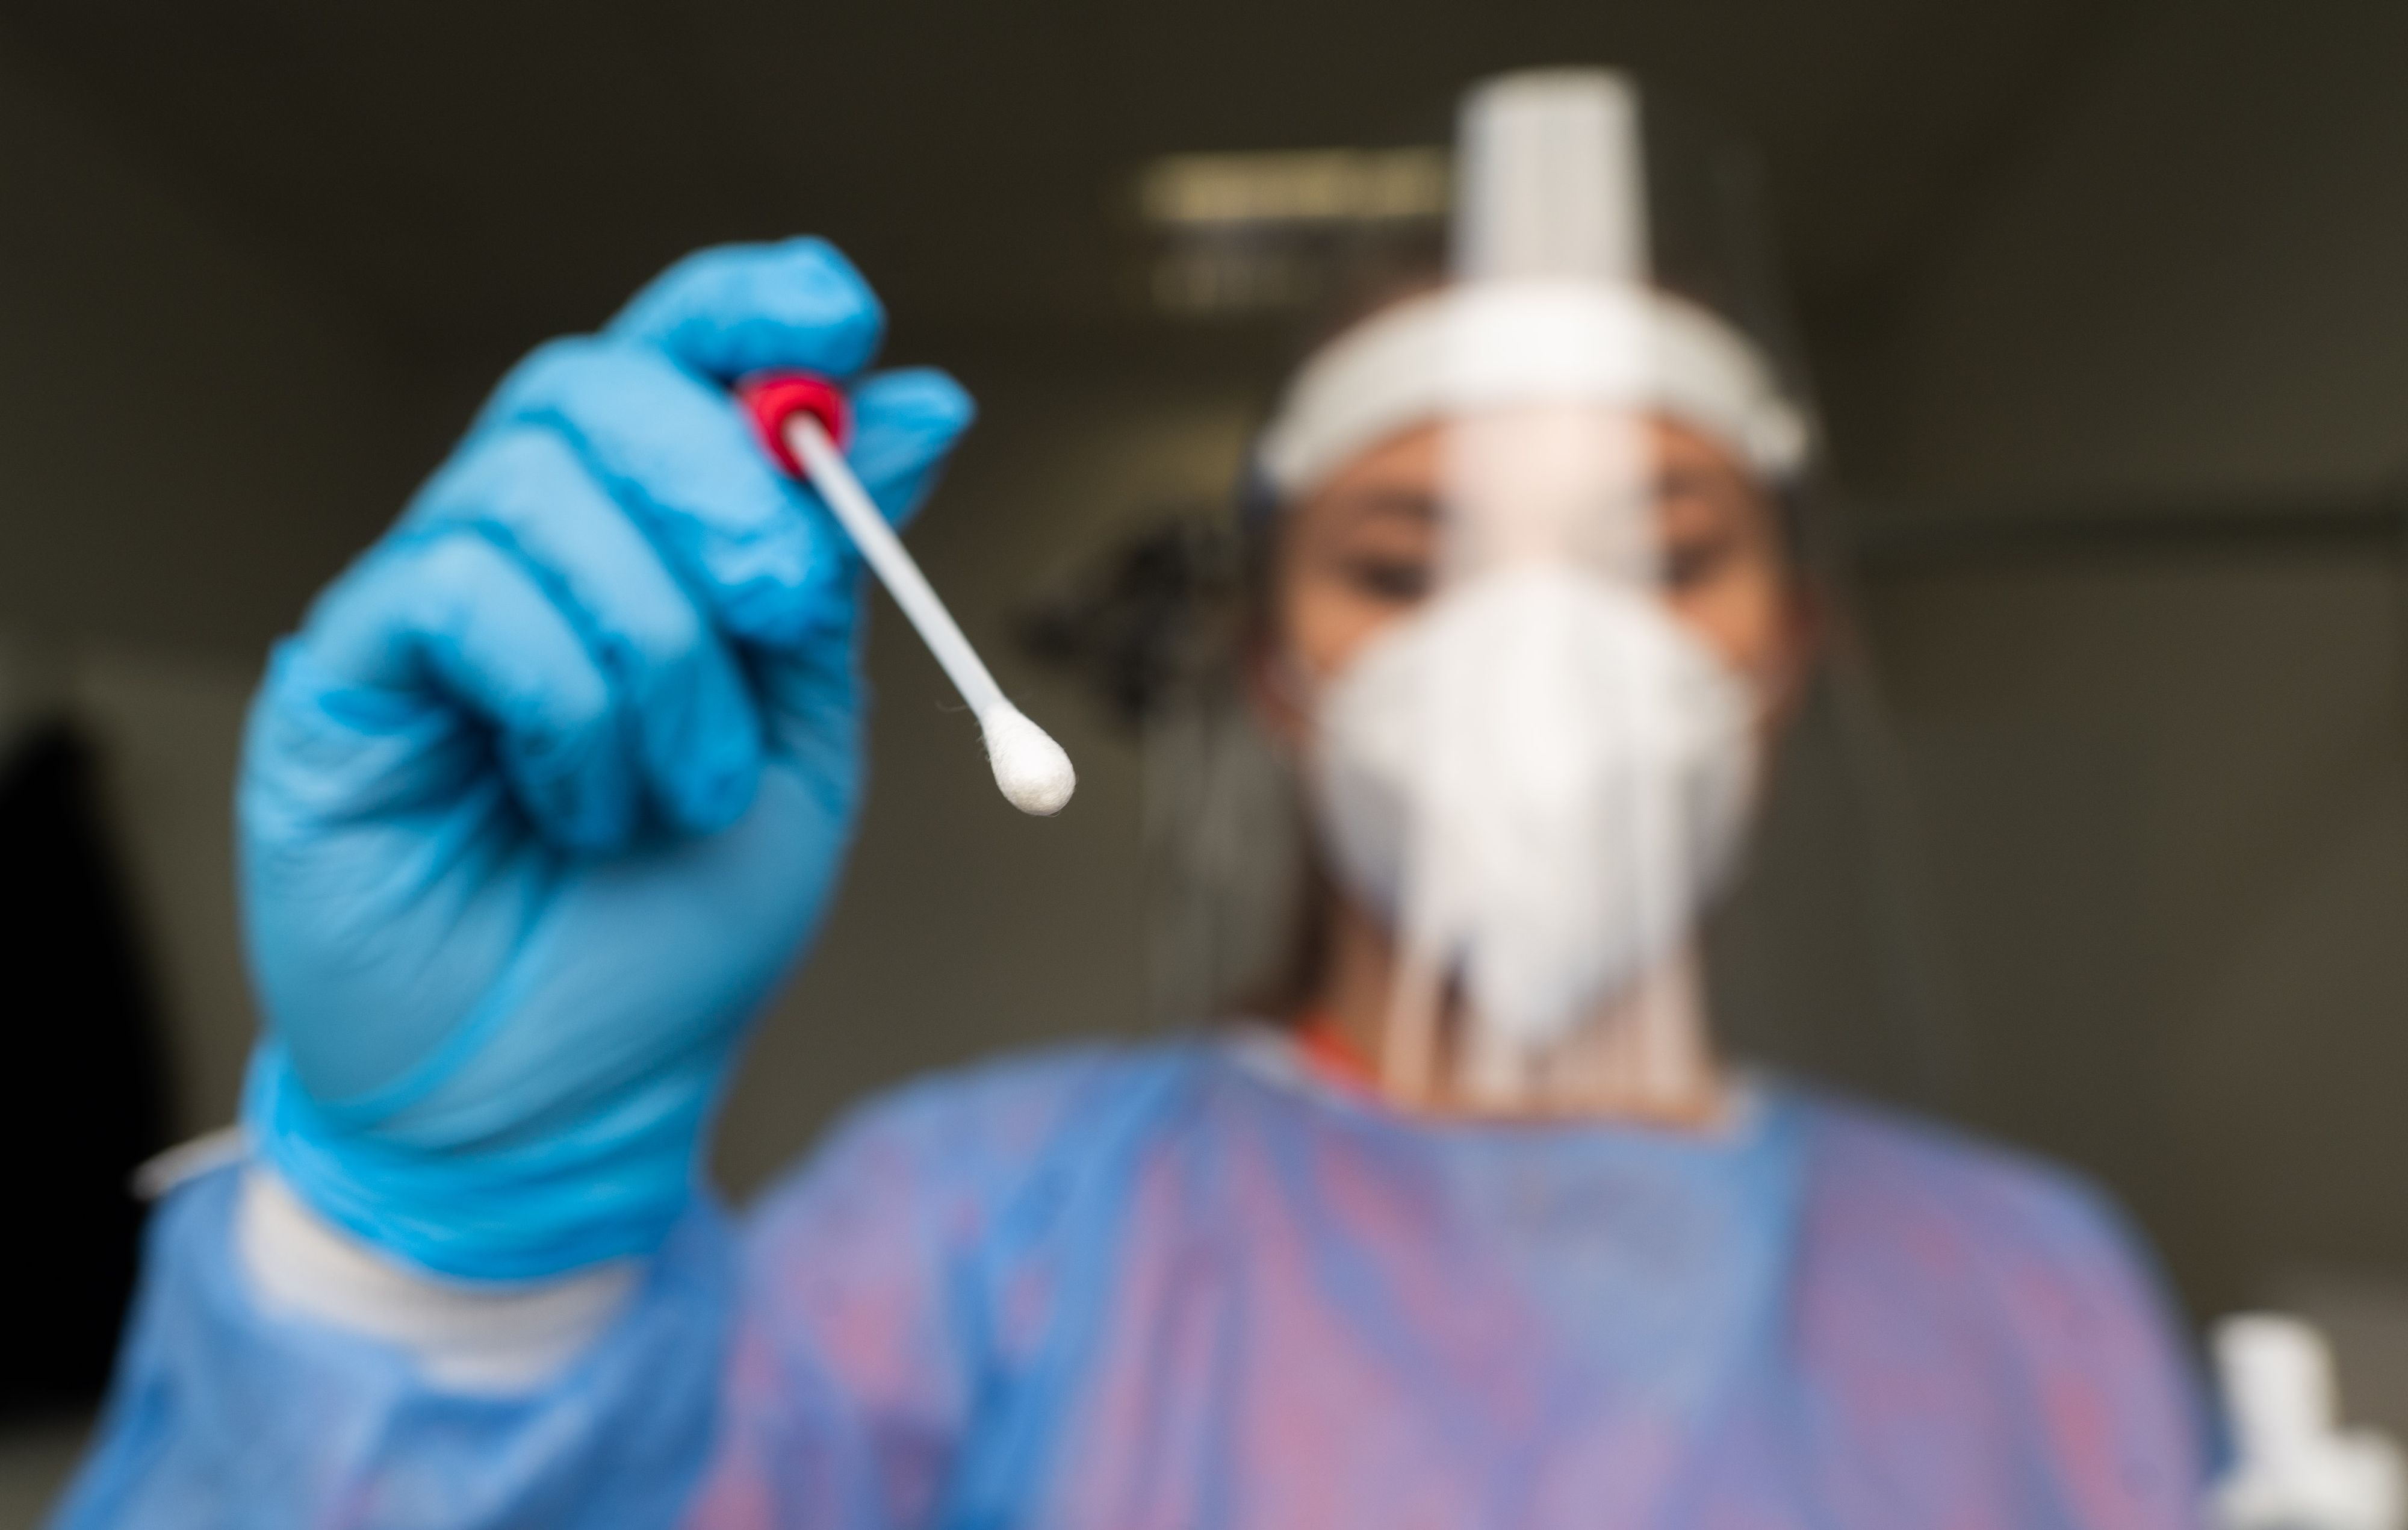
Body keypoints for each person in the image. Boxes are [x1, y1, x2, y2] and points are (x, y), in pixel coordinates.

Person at [55, 70, 2209, 1528]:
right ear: (1275, 666)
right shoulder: (975, 1242)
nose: (1544, 650)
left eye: (1659, 551)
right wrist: (426, 1275)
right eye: (1410, 560)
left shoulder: (2031, 1289)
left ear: (1790, 641)